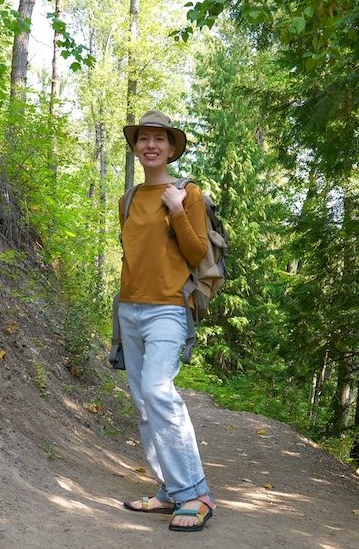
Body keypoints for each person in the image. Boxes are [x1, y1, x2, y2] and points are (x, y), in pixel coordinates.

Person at [117, 110, 215, 532]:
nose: (150, 145)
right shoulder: (127, 199)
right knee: (143, 405)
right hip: (129, 309)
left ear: (172, 149)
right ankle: (169, 490)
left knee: (159, 391)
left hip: (169, 309)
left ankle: (196, 493)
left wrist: (176, 210)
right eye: (143, 139)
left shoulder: (186, 193)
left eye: (159, 139)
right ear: (136, 148)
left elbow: (197, 255)